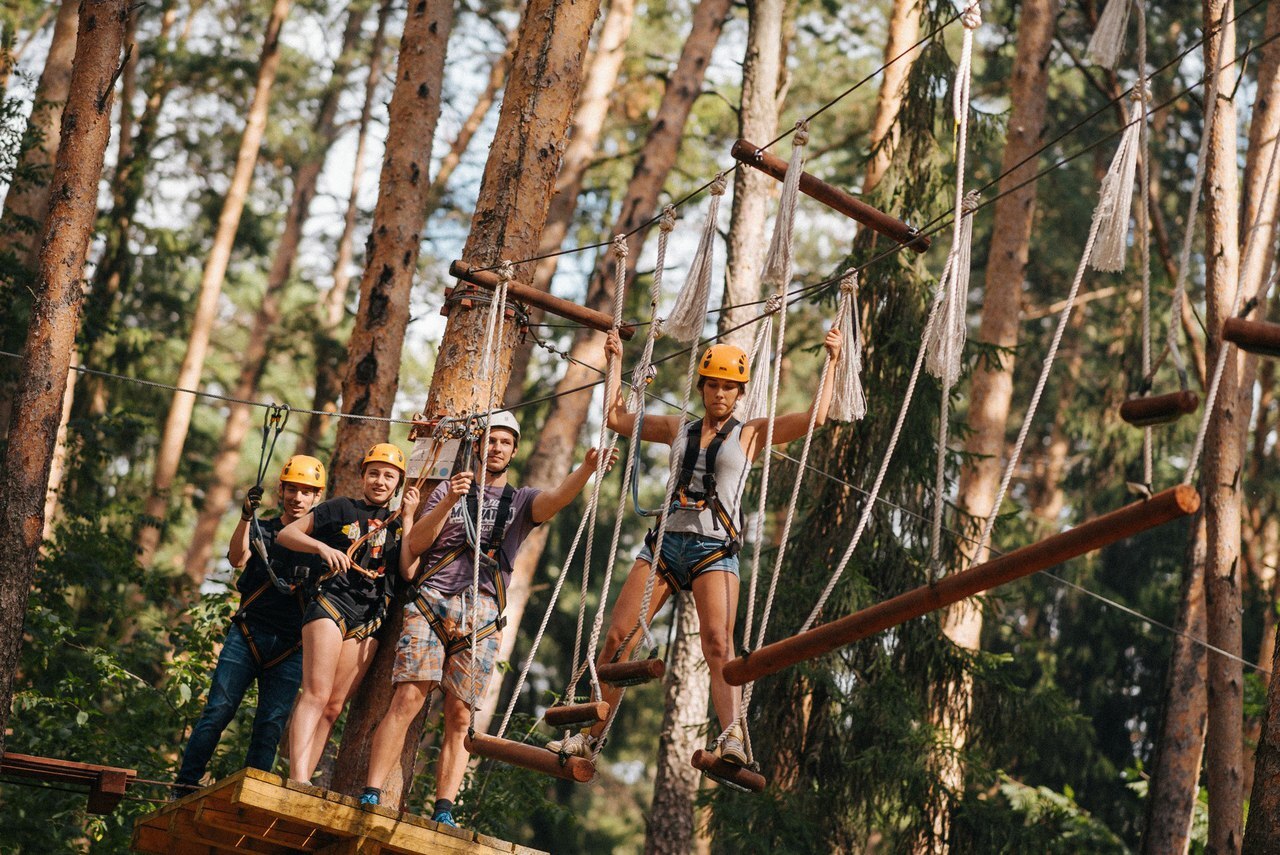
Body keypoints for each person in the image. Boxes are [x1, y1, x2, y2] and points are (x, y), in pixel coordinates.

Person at [547, 326, 842, 764]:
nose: (720, 393)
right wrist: (615, 362)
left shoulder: (752, 434)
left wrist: (831, 361)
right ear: (702, 387)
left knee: (718, 644)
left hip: (713, 550)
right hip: (664, 546)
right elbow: (616, 419)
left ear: (740, 393)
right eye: (713, 385)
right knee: (616, 639)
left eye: (729, 387)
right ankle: (589, 738)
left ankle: (733, 737)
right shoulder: (676, 428)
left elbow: (815, 417)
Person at [359, 411, 616, 826]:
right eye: (490, 441)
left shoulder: (520, 502)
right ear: (477, 446)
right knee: (409, 697)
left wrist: (586, 468)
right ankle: (372, 790)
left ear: (514, 450)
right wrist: (446, 501)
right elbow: (417, 544)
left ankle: (443, 809)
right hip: (433, 600)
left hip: (481, 611)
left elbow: (555, 500)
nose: (495, 448)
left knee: (461, 714)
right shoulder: (449, 487)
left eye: (504, 443)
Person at [174, 455, 327, 793]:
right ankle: (185, 784)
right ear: (281, 490)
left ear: (317, 497)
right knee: (218, 710)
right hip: (248, 634)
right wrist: (246, 516)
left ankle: (254, 792)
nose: (298, 498)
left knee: (270, 725)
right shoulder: (264, 529)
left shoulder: (322, 545)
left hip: (290, 646)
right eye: (292, 490)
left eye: (306, 492)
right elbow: (236, 558)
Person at [277, 443, 420, 783]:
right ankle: (297, 778)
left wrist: (411, 517)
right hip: (332, 602)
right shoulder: (341, 508)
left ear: (398, 483)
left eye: (388, 476)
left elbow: (408, 571)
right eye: (373, 473)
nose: (380, 481)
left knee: (334, 706)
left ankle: (304, 779)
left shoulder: (399, 523)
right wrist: (322, 547)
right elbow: (287, 534)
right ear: (363, 476)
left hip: (370, 616)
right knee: (316, 693)